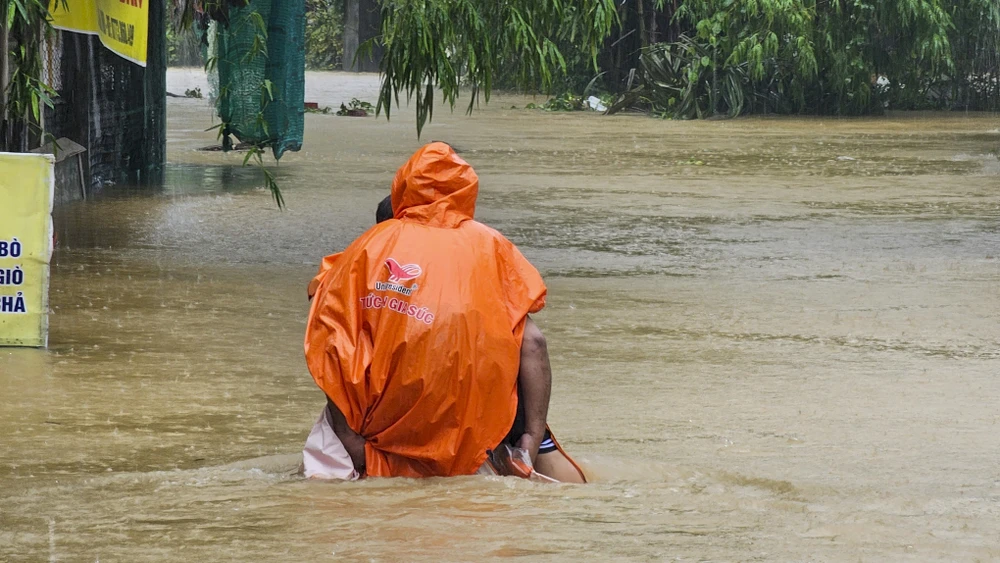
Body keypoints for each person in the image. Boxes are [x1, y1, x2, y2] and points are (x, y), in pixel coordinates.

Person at [302, 142, 585, 482]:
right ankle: (534, 451)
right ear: (466, 191)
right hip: (473, 436)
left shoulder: (368, 247)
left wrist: (349, 437)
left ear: (402, 189)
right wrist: (531, 438)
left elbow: (332, 342)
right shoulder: (490, 246)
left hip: (371, 434)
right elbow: (534, 343)